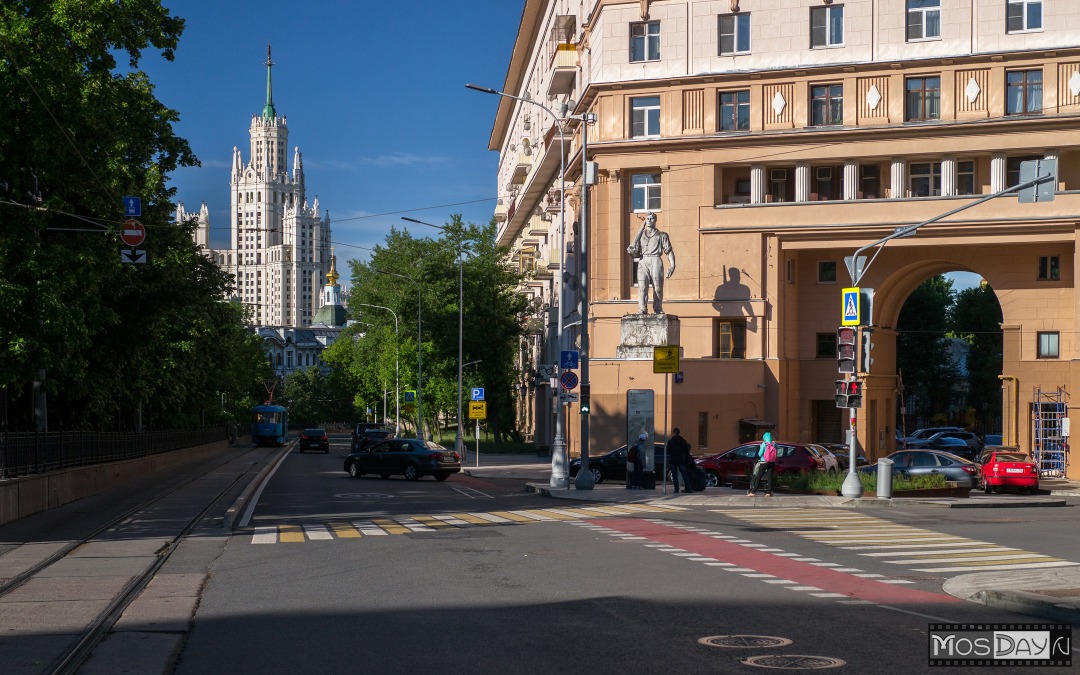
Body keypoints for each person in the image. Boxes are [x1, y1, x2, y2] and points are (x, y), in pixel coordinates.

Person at [626, 212, 676, 315]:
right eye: (647, 218)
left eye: (652, 218)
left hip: (655, 259)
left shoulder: (662, 235)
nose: (649, 220)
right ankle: (642, 308)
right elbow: (635, 254)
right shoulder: (640, 236)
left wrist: (672, 265)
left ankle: (658, 308)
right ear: (645, 221)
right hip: (643, 261)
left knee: (657, 287)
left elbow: (669, 251)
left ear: (655, 220)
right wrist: (632, 251)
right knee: (642, 287)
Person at [747, 431, 777, 497]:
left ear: (764, 437)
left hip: (764, 462)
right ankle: (768, 492)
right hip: (772, 462)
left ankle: (753, 492)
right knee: (769, 478)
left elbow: (760, 454)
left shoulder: (764, 444)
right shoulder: (774, 444)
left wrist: (761, 448)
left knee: (758, 477)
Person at [667, 427, 693, 493]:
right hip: (681, 460)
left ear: (673, 432)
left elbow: (668, 451)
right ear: (679, 432)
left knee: (674, 475)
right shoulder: (683, 441)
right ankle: (688, 488)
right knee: (684, 474)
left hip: (673, 460)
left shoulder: (670, 441)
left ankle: (676, 489)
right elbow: (687, 449)